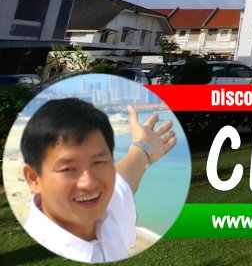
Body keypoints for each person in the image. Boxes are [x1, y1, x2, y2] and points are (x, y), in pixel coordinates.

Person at [19, 98, 178, 262]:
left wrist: (144, 147)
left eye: (98, 162)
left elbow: (123, 181)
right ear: (33, 178)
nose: (88, 183)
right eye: (68, 169)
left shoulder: (104, 211)